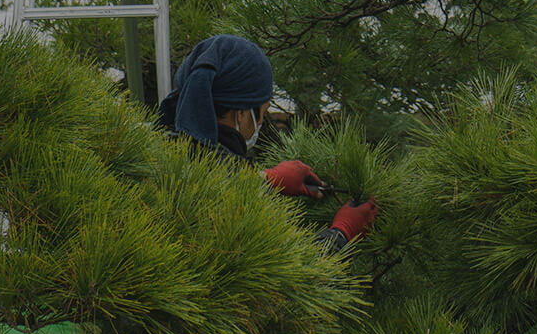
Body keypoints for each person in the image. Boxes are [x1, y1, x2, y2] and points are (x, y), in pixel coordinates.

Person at [158, 35, 377, 251]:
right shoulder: (235, 211)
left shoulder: (161, 151)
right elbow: (295, 278)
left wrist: (264, 180)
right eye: (262, 112)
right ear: (241, 113)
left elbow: (213, 176)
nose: (261, 122)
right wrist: (341, 233)